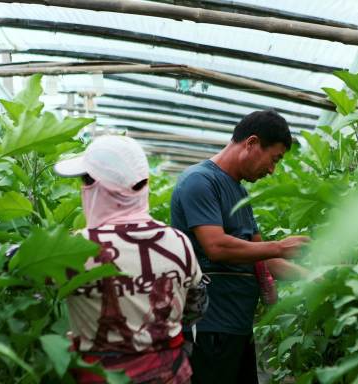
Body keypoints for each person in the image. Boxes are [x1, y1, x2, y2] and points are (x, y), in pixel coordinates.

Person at [170, 110, 310, 384]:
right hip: (209, 327)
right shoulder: (200, 181)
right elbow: (216, 246)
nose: (272, 170)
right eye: (274, 159)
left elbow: (265, 258)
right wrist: (280, 246)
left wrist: (317, 277)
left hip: (236, 328)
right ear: (252, 143)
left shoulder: (239, 191)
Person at [54, 135, 207, 384]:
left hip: (103, 376)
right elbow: (195, 307)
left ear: (96, 186)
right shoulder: (178, 241)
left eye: (85, 180)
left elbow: (9, 267)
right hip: (171, 374)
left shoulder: (76, 248)